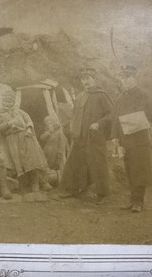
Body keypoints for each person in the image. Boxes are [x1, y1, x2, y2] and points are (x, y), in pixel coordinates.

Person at [111, 65, 152, 213]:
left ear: (135, 78)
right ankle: (132, 199)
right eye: (122, 78)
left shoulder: (143, 95)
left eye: (127, 77)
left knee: (139, 169)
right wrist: (115, 137)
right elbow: (115, 119)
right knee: (129, 168)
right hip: (125, 139)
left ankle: (138, 201)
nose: (124, 81)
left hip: (140, 138)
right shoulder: (120, 98)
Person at [59, 68, 113, 205]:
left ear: (94, 79)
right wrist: (72, 128)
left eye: (88, 78)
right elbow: (75, 115)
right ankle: (73, 189)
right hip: (79, 136)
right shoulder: (79, 96)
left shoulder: (101, 95)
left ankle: (102, 194)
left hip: (94, 136)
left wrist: (99, 124)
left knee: (98, 163)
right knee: (75, 162)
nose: (86, 82)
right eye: (83, 79)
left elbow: (112, 114)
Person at [0, 90, 49, 199]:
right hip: (12, 140)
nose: (8, 103)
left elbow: (29, 120)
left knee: (32, 159)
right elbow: (0, 128)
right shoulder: (0, 114)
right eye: (6, 100)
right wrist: (9, 123)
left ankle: (36, 183)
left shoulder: (20, 112)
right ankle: (24, 186)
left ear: (13, 101)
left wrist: (29, 129)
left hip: (26, 137)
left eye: (10, 101)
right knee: (19, 162)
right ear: (3, 101)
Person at [39, 116, 67, 185]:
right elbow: (42, 139)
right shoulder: (46, 132)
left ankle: (58, 180)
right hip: (46, 151)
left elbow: (62, 143)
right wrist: (48, 132)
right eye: (47, 124)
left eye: (50, 123)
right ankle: (48, 180)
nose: (49, 125)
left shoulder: (59, 132)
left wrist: (59, 153)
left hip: (55, 151)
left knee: (56, 166)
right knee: (47, 165)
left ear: (54, 124)